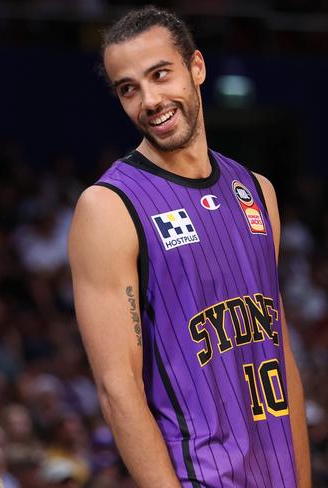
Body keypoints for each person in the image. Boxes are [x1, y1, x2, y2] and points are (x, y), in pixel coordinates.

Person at [68, 6, 310, 487]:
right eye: (128, 89)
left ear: (196, 67)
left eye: (160, 75)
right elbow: (119, 391)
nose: (150, 100)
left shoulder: (257, 191)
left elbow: (280, 352)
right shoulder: (109, 207)